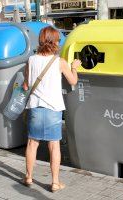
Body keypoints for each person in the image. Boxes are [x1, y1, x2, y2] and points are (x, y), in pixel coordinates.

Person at [23, 26, 81, 192]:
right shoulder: (59, 62)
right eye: (58, 40)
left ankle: (28, 177)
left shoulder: (31, 60)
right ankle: (55, 182)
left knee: (32, 143)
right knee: (54, 146)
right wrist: (75, 66)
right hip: (53, 109)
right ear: (54, 42)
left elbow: (26, 85)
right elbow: (72, 81)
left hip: (35, 107)